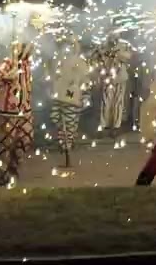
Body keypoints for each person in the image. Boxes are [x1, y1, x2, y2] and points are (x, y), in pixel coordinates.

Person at [0, 41, 34, 185]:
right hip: (8, 112)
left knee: (26, 140)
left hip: (25, 111)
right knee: (6, 144)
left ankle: (13, 167)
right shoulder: (6, 63)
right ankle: (2, 173)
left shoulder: (27, 64)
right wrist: (10, 73)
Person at [49, 37, 93, 168]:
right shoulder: (59, 61)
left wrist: (85, 96)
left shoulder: (80, 63)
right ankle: (65, 142)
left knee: (70, 125)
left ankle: (67, 147)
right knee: (57, 119)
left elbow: (85, 81)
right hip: (58, 98)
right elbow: (53, 77)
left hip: (72, 99)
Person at [96, 37, 133, 135]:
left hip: (120, 78)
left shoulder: (123, 44)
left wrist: (117, 54)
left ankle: (116, 127)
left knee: (118, 102)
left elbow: (128, 56)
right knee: (106, 102)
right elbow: (99, 56)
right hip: (107, 77)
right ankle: (104, 125)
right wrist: (103, 53)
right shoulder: (105, 44)